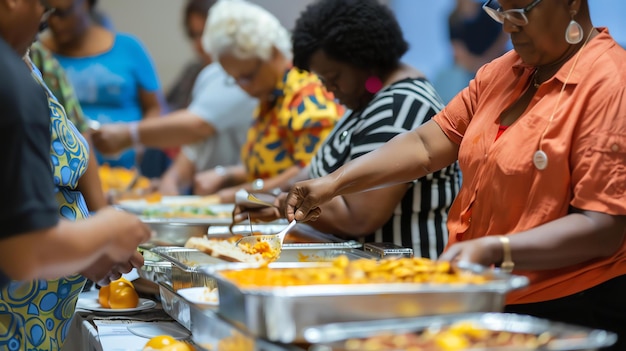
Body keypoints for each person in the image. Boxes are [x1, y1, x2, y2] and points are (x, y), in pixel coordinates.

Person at [285, 0, 626, 348]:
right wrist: (334, 183)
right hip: (488, 298)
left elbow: (602, 226)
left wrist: (495, 248)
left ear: (571, 4)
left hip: (575, 307)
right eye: (500, 13)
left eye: (519, 14)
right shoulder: (503, 72)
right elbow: (425, 145)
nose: (508, 27)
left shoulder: (610, 82)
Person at [234, 0, 460, 258]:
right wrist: (271, 197)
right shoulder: (365, 100)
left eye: (335, 77)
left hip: (396, 275)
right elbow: (315, 171)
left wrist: (281, 202)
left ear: (365, 60)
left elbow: (358, 216)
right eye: (323, 80)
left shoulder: (400, 105)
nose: (329, 89)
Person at [0, 1, 151, 349]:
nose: (45, 19)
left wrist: (82, 246)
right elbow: (24, 249)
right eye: (43, 7)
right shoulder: (6, 81)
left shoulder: (21, 61)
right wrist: (109, 229)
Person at [91, 0, 257, 196]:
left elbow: (196, 125)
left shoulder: (241, 75)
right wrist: (172, 179)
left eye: (207, 33)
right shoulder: (199, 72)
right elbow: (196, 141)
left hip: (242, 194)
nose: (202, 44)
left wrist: (129, 135)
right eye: (194, 35)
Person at [198, 0, 344, 203]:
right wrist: (227, 175)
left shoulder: (307, 97)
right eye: (234, 79)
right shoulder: (272, 95)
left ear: (274, 52)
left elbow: (310, 172)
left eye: (247, 76)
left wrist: (243, 192)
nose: (243, 87)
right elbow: (274, 166)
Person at [40, 0, 167, 172]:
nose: (54, 22)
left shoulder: (129, 49)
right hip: (66, 176)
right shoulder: (39, 56)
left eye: (63, 13)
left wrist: (136, 141)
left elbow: (156, 108)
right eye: (49, 13)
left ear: (86, 4)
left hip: (131, 173)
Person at [434, 0, 510, 103]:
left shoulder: (490, 8)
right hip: (470, 69)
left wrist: (488, 62)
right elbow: (458, 52)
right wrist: (479, 67)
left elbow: (503, 37)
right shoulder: (453, 18)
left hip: (497, 61)